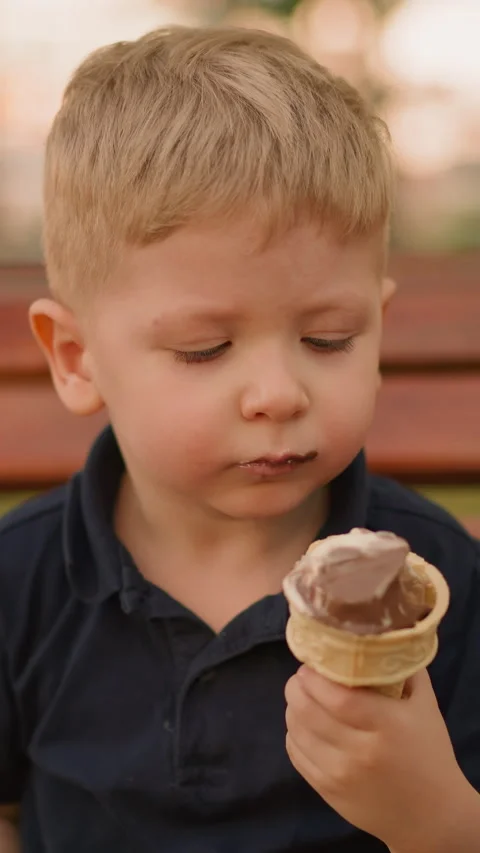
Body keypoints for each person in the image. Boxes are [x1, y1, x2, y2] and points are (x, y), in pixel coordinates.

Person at [0, 26, 479, 853]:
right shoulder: (20, 582)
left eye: (329, 339)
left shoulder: (442, 581)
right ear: (77, 360)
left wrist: (435, 818)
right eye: (205, 350)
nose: (279, 394)